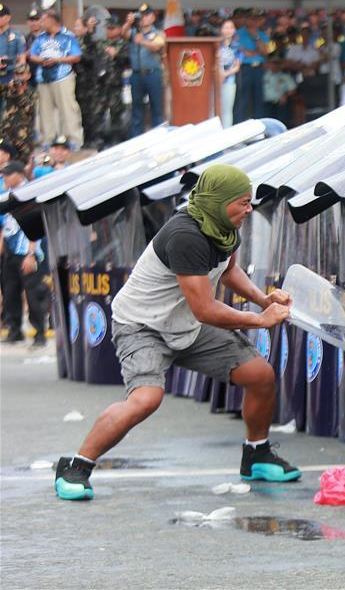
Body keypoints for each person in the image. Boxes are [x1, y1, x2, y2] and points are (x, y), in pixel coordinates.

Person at [54, 164, 301, 501]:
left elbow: (227, 270)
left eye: (250, 201)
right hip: (142, 326)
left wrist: (263, 298)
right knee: (146, 399)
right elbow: (206, 309)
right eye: (243, 202)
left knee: (260, 375)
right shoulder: (186, 235)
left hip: (185, 325)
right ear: (219, 200)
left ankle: (256, 454)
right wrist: (261, 319)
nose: (250, 209)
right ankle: (76, 466)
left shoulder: (224, 228)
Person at [0, 160, 50, 348]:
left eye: (8, 174)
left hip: (27, 250)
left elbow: (36, 226)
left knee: (33, 293)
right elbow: (5, 225)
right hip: (11, 250)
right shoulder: (8, 195)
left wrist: (31, 254)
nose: (4, 177)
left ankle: (39, 334)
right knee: (10, 291)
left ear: (19, 175)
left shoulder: (29, 194)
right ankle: (14, 331)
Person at [29, 9, 83, 149]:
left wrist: (57, 60)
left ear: (52, 20)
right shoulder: (40, 37)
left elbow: (76, 56)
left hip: (62, 76)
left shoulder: (68, 36)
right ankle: (48, 139)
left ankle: (73, 139)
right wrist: (41, 60)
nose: (41, 23)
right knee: (45, 110)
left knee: (67, 109)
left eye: (44, 20)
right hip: (43, 78)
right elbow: (32, 54)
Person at [129, 4, 166, 137]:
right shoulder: (133, 32)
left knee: (156, 108)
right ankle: (136, 138)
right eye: (141, 16)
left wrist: (142, 41)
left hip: (153, 74)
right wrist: (128, 23)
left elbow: (157, 46)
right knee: (137, 109)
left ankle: (158, 138)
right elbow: (121, 33)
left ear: (153, 17)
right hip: (137, 75)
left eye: (146, 15)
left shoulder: (159, 33)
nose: (143, 19)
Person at [96, 15, 131, 144]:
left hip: (115, 83)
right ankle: (100, 138)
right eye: (108, 28)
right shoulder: (101, 43)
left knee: (116, 112)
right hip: (100, 84)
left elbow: (127, 60)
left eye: (112, 28)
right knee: (99, 111)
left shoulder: (123, 44)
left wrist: (116, 55)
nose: (109, 31)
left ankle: (116, 139)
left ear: (118, 29)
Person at [234, 8, 271, 123]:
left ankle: (260, 124)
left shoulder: (261, 35)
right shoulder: (238, 34)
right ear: (246, 19)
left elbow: (265, 52)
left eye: (256, 19)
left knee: (258, 97)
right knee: (242, 98)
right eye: (251, 19)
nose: (254, 22)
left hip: (259, 68)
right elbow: (244, 53)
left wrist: (256, 37)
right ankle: (239, 124)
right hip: (245, 68)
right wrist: (257, 52)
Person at [72, 16, 102, 148]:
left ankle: (92, 139)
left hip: (89, 82)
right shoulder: (73, 41)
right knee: (80, 112)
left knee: (90, 112)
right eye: (75, 26)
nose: (75, 29)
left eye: (78, 26)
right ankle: (83, 139)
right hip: (76, 81)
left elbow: (91, 58)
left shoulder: (89, 41)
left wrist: (90, 30)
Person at [0, 62, 38, 162]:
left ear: (28, 75)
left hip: (23, 135)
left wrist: (20, 92)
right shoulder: (9, 88)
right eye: (16, 74)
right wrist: (2, 72)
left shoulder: (32, 92)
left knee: (23, 161)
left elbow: (30, 110)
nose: (18, 77)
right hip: (6, 132)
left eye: (21, 74)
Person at [218, 19, 242, 128]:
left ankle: (226, 133)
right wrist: (219, 73)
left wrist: (225, 74)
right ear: (221, 30)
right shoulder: (216, 45)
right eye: (226, 27)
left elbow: (237, 67)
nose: (228, 30)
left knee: (227, 110)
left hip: (229, 81)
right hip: (215, 81)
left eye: (231, 27)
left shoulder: (237, 47)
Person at [262, 60, 296, 124]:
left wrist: (285, 95)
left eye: (276, 64)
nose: (274, 66)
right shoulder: (264, 76)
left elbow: (293, 90)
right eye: (272, 64)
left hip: (280, 102)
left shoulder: (285, 76)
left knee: (282, 120)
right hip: (266, 103)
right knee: (267, 122)